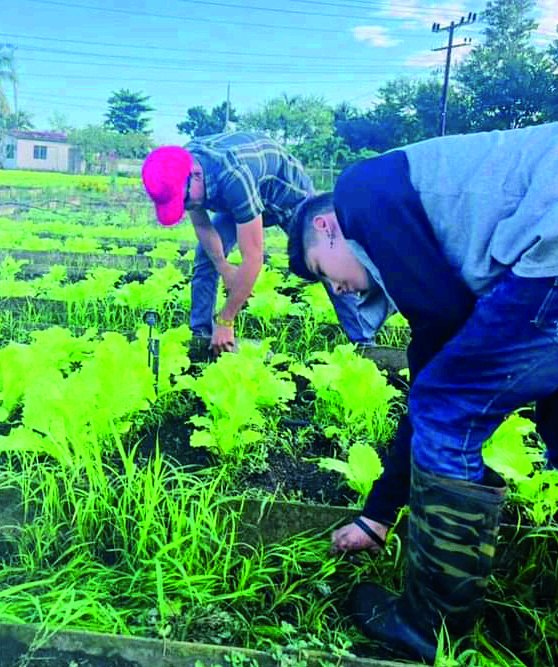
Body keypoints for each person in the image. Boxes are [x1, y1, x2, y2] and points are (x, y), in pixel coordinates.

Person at [287, 121, 558, 663]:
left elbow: (440, 342)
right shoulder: (423, 220)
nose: (336, 289)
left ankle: (429, 623)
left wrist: (379, 511)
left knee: (445, 410)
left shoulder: (359, 192)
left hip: (548, 249)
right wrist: (381, 513)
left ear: (328, 226)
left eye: (322, 271)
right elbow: (443, 334)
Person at [141, 131, 375, 354]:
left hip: (288, 198)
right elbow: (202, 225)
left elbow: (253, 257)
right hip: (241, 198)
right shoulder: (177, 169)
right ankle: (200, 334)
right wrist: (224, 267)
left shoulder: (233, 175)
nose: (186, 207)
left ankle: (364, 342)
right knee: (206, 257)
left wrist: (226, 318)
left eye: (184, 201)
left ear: (196, 175)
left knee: (326, 262)